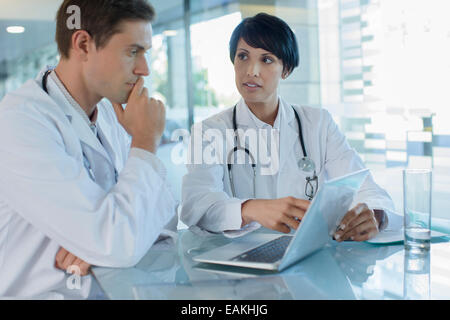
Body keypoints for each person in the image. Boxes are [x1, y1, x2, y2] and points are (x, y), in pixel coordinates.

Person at [0, 0, 177, 299]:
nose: (143, 69)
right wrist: (145, 144)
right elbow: (119, 241)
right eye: (133, 51)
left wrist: (97, 243)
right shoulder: (20, 122)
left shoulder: (110, 114)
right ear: (83, 44)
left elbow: (164, 220)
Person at [180, 13, 401, 240]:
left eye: (266, 59)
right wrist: (248, 209)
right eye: (243, 56)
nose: (251, 70)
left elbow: (365, 187)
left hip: (307, 258)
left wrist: (375, 215)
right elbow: (196, 204)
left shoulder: (319, 124)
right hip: (239, 264)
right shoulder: (209, 131)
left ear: (285, 70)